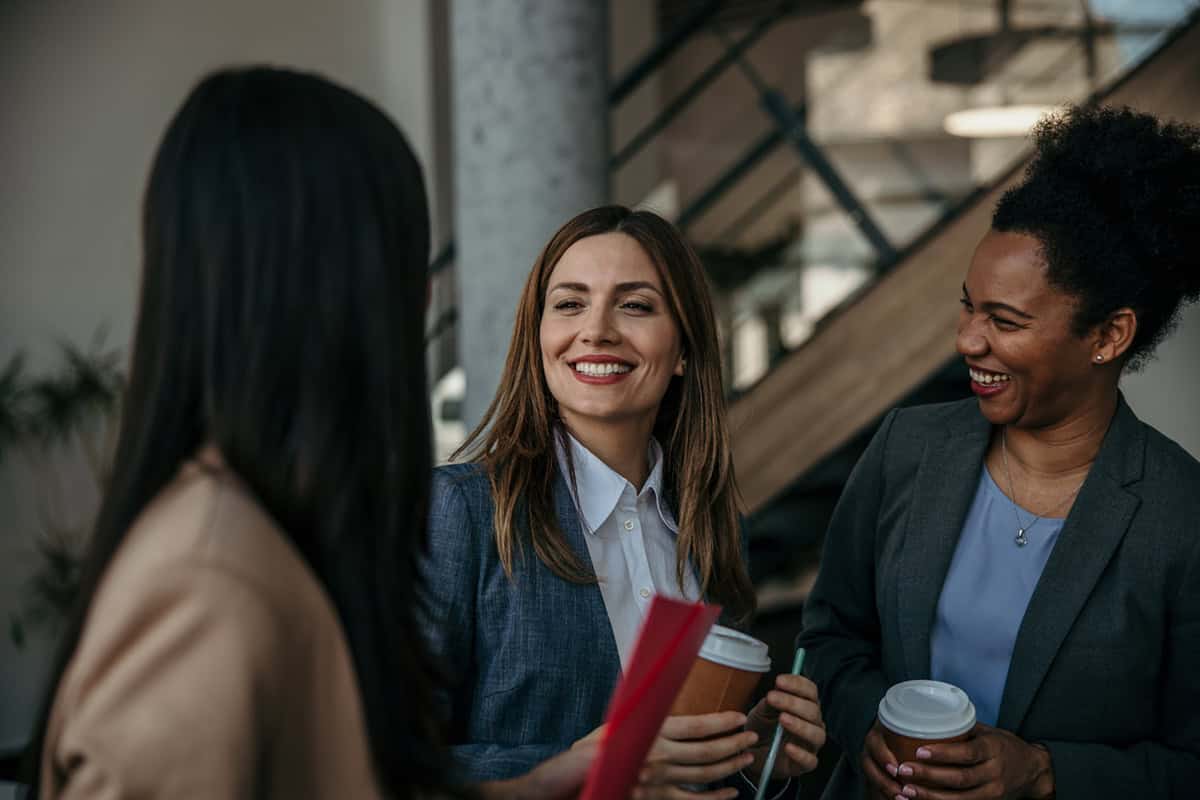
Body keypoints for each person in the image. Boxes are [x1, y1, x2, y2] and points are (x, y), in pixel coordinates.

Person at [29, 66, 594, 799]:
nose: (422, 301)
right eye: (404, 265)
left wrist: (541, 782)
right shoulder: (205, 585)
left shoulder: (264, 532)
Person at [799, 104, 1200, 800]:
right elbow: (830, 637)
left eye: (1004, 321)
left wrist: (1044, 773)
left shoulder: (1182, 518)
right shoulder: (909, 448)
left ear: (1109, 336)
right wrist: (867, 726)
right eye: (968, 306)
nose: (968, 341)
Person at [420, 205, 827, 799]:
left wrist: (750, 756)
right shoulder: (461, 511)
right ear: (537, 339)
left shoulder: (713, 533)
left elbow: (689, 774)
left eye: (634, 305)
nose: (597, 330)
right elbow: (385, 761)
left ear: (684, 349)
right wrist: (579, 765)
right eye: (568, 304)